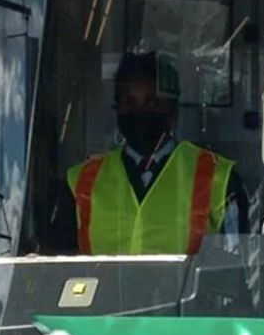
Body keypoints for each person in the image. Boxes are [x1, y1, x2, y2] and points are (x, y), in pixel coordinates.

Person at [59, 52, 249, 256]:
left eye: (153, 102)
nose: (141, 111)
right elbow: (56, 264)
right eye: (129, 102)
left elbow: (236, 267)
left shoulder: (218, 177)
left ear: (173, 110)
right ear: (117, 110)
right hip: (103, 289)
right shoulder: (81, 181)